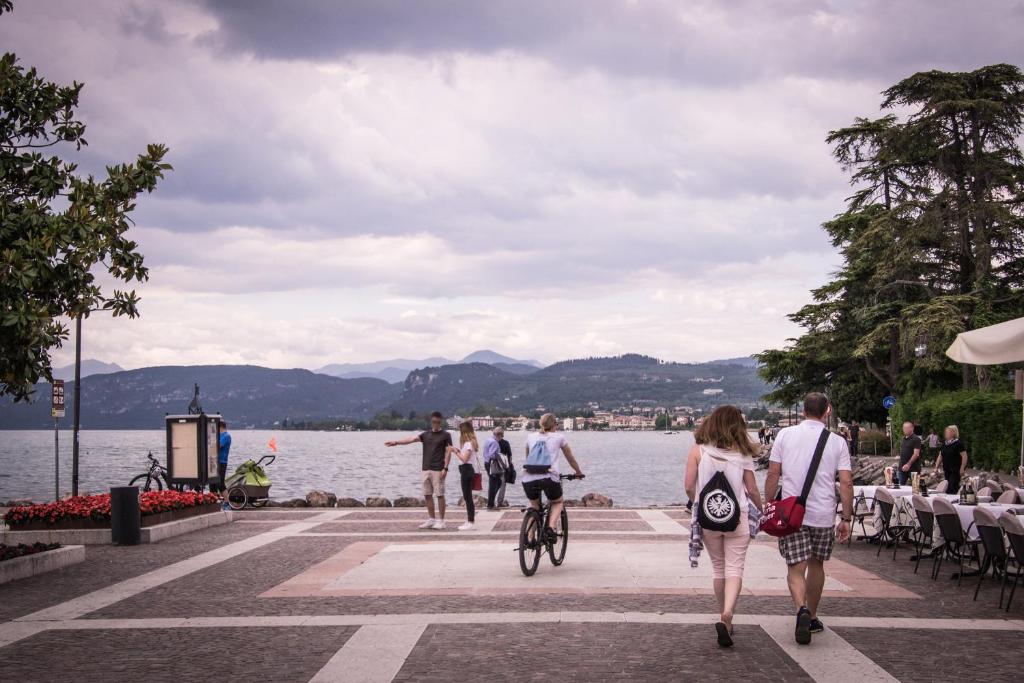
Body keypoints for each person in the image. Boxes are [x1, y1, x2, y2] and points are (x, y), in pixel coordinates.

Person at [764, 392, 853, 645]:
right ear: (827, 411)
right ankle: (812, 616)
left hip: (792, 512)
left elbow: (773, 474)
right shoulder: (837, 441)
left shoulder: (785, 435)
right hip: (823, 513)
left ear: (803, 411)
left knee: (796, 567)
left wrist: (769, 504)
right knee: (817, 564)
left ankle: (800, 609)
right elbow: (846, 482)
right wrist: (846, 517)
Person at [684, 405, 764, 648]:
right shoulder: (743, 454)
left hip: (709, 517)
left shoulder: (698, 451)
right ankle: (728, 613)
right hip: (737, 517)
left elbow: (688, 486)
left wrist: (697, 502)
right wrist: (762, 509)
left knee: (719, 569)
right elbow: (752, 490)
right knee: (735, 567)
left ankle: (723, 615)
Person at [385, 411, 452, 530]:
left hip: (438, 469)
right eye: (434, 422)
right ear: (431, 421)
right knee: (427, 494)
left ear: (440, 422)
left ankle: (441, 521)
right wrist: (396, 442)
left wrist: (445, 468)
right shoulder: (425, 435)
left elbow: (448, 452)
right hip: (426, 468)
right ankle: (432, 519)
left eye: (438, 422)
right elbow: (411, 439)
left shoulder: (446, 435)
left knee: (440, 495)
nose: (436, 424)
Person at [523, 413, 584, 540]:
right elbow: (570, 458)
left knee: (534, 506)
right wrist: (578, 472)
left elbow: (528, 458)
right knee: (557, 501)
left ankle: (529, 538)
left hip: (528, 478)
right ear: (554, 425)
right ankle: (550, 528)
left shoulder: (530, 437)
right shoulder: (559, 437)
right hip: (549, 477)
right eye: (556, 424)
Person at [447, 420, 481, 531]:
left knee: (468, 497)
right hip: (467, 470)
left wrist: (455, 451)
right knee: (467, 497)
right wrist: (458, 450)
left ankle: (471, 521)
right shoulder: (470, 443)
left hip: (466, 470)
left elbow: (464, 459)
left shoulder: (468, 444)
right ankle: (469, 520)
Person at [933, 425, 968, 494]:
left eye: (948, 431)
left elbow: (964, 456)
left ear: (953, 433)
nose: (946, 433)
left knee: (952, 487)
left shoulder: (958, 444)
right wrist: (936, 467)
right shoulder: (945, 444)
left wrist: (962, 468)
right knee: (947, 487)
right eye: (945, 432)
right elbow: (940, 455)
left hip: (955, 470)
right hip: (947, 470)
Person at [483, 426, 512, 509]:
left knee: (494, 483)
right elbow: (492, 455)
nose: (501, 438)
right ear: (499, 435)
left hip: (487, 463)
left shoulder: (488, 440)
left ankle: (491, 502)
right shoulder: (495, 442)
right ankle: (491, 504)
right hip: (493, 465)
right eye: (502, 436)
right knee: (496, 483)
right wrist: (500, 457)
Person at [898, 421, 922, 486]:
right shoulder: (903, 439)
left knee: (915, 488)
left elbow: (916, 454)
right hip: (902, 468)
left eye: (907, 428)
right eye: (904, 428)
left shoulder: (916, 439)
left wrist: (908, 464)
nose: (905, 429)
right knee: (899, 487)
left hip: (914, 469)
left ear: (912, 428)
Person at [217, 421, 231, 510]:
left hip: (222, 462)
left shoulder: (226, 436)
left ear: (221, 427)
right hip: (216, 462)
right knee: (213, 483)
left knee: (220, 483)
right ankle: (215, 501)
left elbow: (218, 446)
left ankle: (227, 502)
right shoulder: (220, 435)